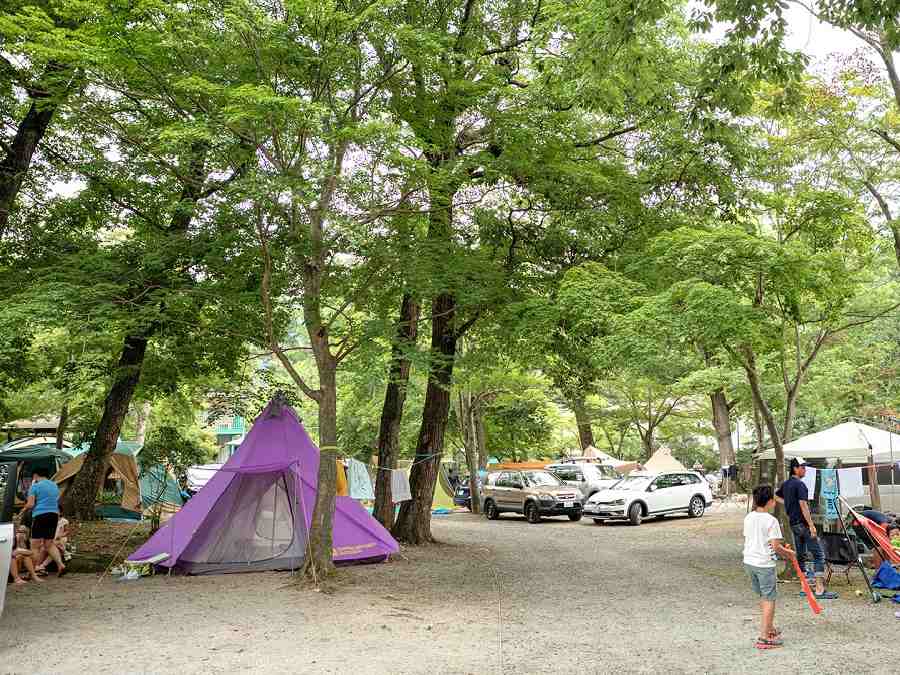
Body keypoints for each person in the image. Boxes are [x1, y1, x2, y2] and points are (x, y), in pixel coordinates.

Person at [744, 484, 796, 649]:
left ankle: (769, 628)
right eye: (773, 499)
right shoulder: (771, 521)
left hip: (749, 561)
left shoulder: (749, 517)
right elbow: (775, 547)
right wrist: (790, 554)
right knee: (769, 599)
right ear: (769, 501)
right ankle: (764, 637)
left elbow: (753, 539)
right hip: (764, 564)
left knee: (764, 597)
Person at [775, 458, 836, 599]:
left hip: (794, 525)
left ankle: (805, 588)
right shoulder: (800, 485)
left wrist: (789, 504)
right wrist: (811, 525)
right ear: (795, 468)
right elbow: (804, 506)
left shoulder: (786, 484)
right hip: (803, 524)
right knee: (818, 555)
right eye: (802, 467)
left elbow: (776, 496)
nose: (805, 470)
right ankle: (820, 589)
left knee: (801, 555)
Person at [20, 467, 66, 577]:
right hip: (54, 515)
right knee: (48, 544)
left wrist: (23, 510)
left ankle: (34, 570)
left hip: (40, 515)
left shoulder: (35, 486)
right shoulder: (54, 485)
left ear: (35, 475)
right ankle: (61, 565)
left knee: (34, 545)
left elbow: (30, 504)